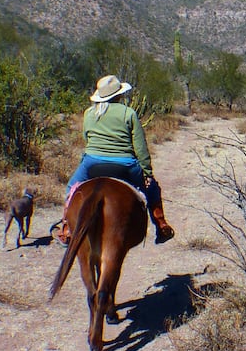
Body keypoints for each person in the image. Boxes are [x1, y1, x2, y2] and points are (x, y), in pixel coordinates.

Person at [62, 74, 174, 244]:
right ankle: (161, 225)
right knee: (152, 189)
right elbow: (140, 147)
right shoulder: (128, 113)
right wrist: (147, 172)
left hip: (92, 163)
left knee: (72, 187)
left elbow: (87, 138)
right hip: (125, 165)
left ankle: (67, 228)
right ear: (119, 95)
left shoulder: (89, 113)